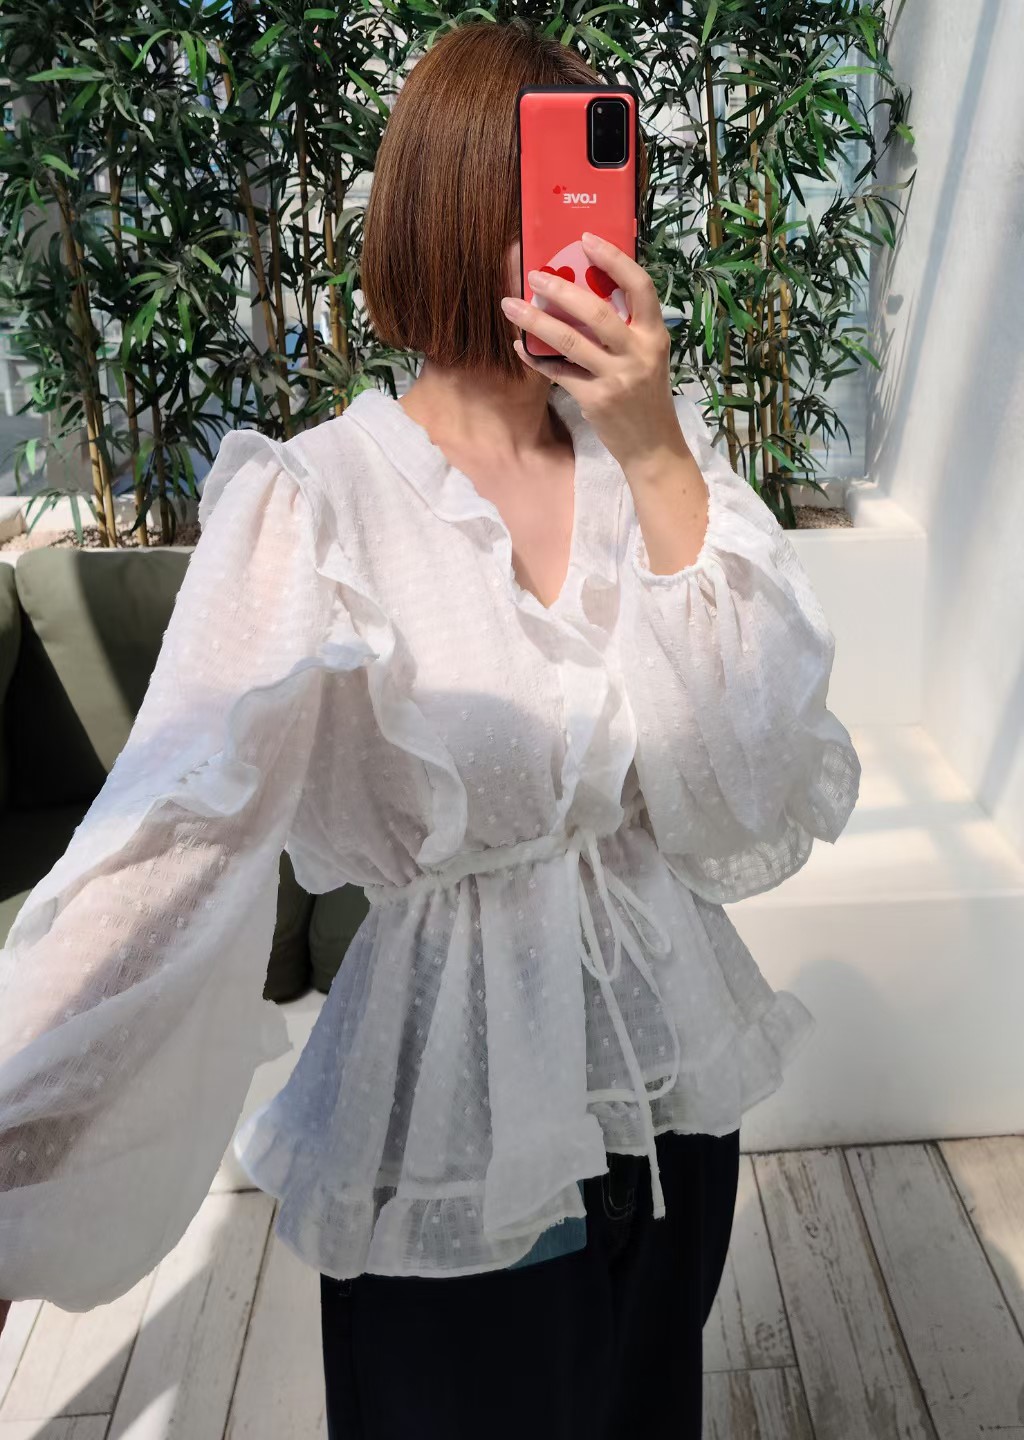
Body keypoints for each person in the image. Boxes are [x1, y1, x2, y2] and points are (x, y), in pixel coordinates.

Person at [0, 18, 861, 1439]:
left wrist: (657, 450)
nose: (599, 233)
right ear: (457, 209)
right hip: (463, 1116)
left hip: (669, 1090)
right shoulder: (315, 502)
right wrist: (19, 1146)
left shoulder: (661, 458)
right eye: (556, 195)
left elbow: (749, 778)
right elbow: (173, 838)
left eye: (610, 193)